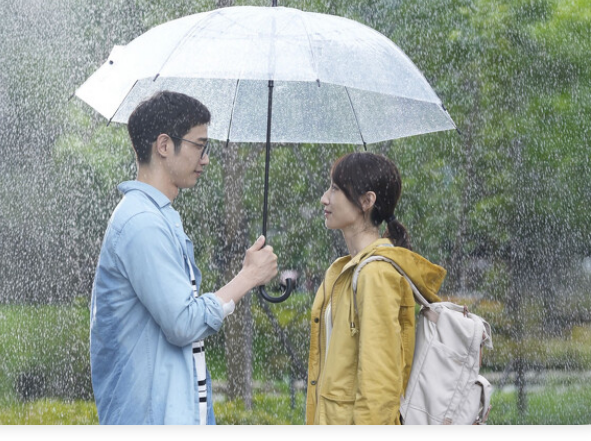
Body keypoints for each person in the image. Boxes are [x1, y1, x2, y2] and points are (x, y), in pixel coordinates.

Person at [89, 90, 279, 425]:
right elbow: (183, 323)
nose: (206, 159)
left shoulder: (157, 218)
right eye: (199, 145)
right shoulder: (142, 223)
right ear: (164, 146)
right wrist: (248, 277)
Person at [305, 152, 447, 425]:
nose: (324, 198)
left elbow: (379, 384)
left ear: (367, 201)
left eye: (335, 189)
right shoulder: (345, 270)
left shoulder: (376, 274)